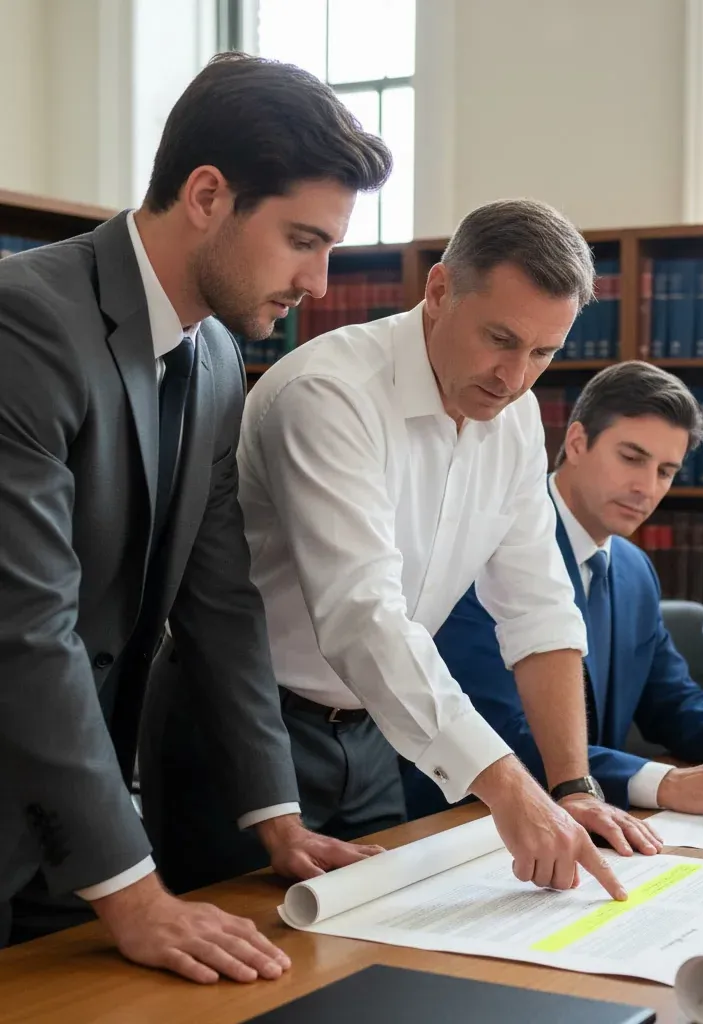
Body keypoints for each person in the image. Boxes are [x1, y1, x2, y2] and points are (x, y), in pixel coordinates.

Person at [0, 53, 398, 984]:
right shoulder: (23, 326)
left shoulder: (217, 356)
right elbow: (24, 632)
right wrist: (133, 888)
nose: (322, 282)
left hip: (83, 836)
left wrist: (277, 815)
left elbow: (222, 601)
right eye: (304, 239)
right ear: (209, 195)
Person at [145, 198, 663, 905]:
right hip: (242, 732)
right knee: (235, 980)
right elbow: (365, 618)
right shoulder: (330, 393)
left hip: (374, 734)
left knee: (377, 950)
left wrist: (571, 786)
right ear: (441, 290)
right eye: (499, 339)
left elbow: (539, 610)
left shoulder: (511, 421)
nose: (514, 378)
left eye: (543, 353)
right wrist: (511, 787)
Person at [404, 362, 703, 823]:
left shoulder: (632, 567)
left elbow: (671, 698)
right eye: (631, 457)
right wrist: (665, 782)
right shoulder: (490, 550)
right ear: (578, 442)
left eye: (666, 471)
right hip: (469, 825)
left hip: (586, 821)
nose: (647, 487)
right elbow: (502, 733)